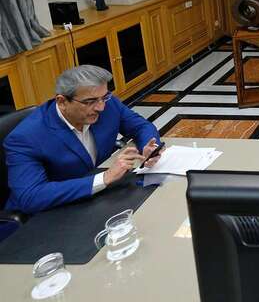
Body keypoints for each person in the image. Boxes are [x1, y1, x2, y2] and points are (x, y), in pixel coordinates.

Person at [4, 65, 162, 214]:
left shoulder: (108, 103)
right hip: (53, 212)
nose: (101, 107)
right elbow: (30, 197)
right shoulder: (25, 138)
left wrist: (150, 149)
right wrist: (104, 178)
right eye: (90, 102)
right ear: (62, 102)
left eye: (104, 97)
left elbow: (141, 127)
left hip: (101, 199)